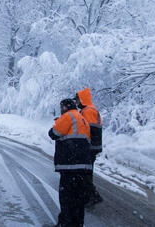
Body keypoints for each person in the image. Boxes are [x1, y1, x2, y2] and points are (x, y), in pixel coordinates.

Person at [46, 99, 92, 227]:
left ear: (65, 107)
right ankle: (77, 224)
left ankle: (64, 224)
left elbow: (53, 133)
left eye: (61, 107)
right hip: (83, 166)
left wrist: (57, 123)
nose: (61, 110)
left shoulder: (68, 116)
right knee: (78, 199)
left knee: (67, 197)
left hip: (70, 164)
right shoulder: (82, 118)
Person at [75, 88, 103, 206]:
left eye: (77, 100)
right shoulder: (88, 110)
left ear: (82, 99)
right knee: (86, 172)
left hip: (90, 147)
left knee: (85, 173)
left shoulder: (88, 111)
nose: (76, 103)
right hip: (92, 147)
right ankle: (88, 195)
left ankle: (92, 196)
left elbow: (87, 130)